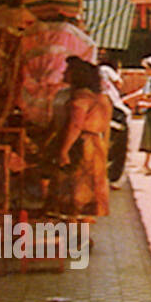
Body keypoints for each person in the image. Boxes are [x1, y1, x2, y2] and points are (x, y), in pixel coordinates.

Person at [53, 57, 113, 218]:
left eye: (68, 71)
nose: (64, 73)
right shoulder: (103, 98)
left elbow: (75, 126)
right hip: (97, 144)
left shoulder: (80, 98)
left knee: (75, 188)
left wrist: (64, 150)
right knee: (91, 187)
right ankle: (82, 226)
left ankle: (73, 226)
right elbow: (107, 128)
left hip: (81, 144)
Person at [99, 64, 131, 189]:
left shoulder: (103, 70)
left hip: (114, 110)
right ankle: (112, 178)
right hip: (115, 109)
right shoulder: (105, 70)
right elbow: (119, 82)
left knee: (113, 146)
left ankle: (112, 178)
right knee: (115, 147)